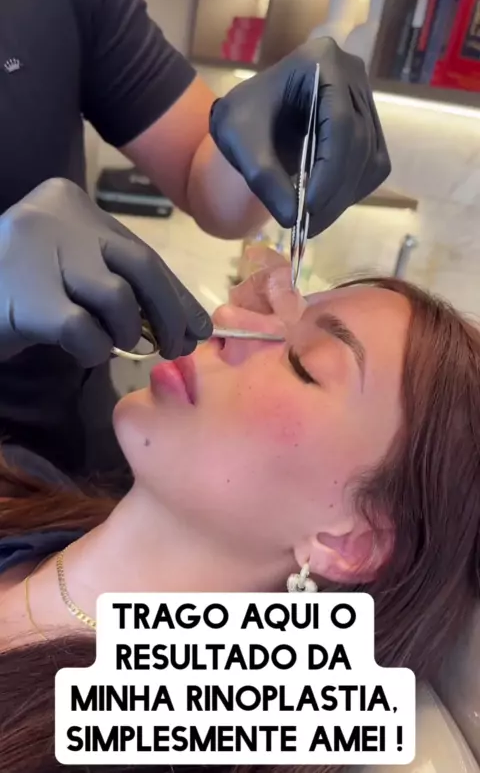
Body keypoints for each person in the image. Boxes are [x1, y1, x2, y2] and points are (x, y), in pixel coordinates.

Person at [0, 251, 479, 773]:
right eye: (273, 316)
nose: (227, 319)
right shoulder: (21, 479)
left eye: (303, 364)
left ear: (350, 544)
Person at [0, 0, 390, 488]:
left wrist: (274, 130)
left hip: (72, 437)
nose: (226, 316)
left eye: (305, 367)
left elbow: (198, 171)